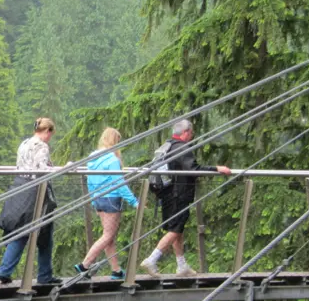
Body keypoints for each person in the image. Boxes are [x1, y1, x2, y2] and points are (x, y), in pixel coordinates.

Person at [140, 119, 231, 277]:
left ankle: (181, 265)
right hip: (179, 195)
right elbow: (193, 169)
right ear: (186, 132)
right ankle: (151, 259)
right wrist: (217, 168)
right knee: (175, 230)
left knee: (177, 229)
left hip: (166, 194)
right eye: (191, 133)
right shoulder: (182, 148)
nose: (192, 136)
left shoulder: (167, 147)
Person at [0, 118, 57, 286]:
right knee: (44, 234)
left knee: (20, 230)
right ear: (47, 131)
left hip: (20, 188)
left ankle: (5, 269)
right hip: (36, 193)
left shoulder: (24, 144)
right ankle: (44, 274)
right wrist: (63, 168)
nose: (49, 138)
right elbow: (41, 170)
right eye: (50, 134)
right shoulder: (42, 146)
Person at [74, 127, 138, 280]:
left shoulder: (93, 158)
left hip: (99, 198)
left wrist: (93, 199)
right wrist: (134, 202)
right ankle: (85, 265)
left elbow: (90, 181)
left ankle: (116, 270)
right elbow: (120, 184)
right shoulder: (112, 160)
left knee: (108, 236)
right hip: (111, 199)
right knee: (108, 235)